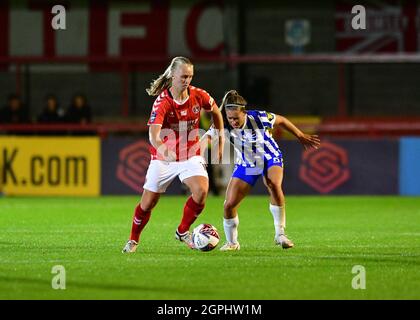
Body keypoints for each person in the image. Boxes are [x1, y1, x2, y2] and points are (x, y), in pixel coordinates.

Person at [122, 56, 224, 253]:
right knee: (148, 203)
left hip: (191, 153)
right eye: (184, 76)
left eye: (190, 76)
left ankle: (182, 230)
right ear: (172, 75)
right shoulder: (162, 103)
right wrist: (163, 150)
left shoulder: (199, 95)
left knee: (201, 191)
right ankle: (133, 239)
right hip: (164, 158)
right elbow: (153, 134)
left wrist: (219, 140)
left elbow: (216, 113)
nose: (187, 80)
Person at [205, 90, 320, 251]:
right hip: (246, 163)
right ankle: (232, 243)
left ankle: (280, 234)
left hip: (269, 157)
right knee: (228, 205)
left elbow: (281, 120)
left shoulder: (258, 117)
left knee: (273, 184)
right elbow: (207, 139)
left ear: (244, 113)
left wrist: (299, 135)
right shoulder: (222, 123)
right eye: (230, 118)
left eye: (236, 118)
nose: (233, 121)